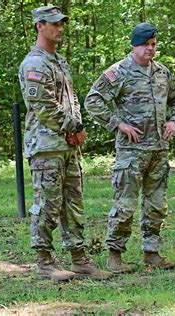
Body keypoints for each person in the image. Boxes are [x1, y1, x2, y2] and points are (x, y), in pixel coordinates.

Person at [18, 5, 111, 282]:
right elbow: (44, 107)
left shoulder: (59, 61)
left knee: (73, 204)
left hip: (67, 146)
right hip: (46, 147)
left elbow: (72, 102)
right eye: (54, 24)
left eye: (62, 24)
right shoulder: (35, 63)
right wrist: (75, 128)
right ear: (39, 26)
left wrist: (76, 130)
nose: (60, 29)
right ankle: (44, 261)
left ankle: (79, 259)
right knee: (47, 204)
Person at [84, 23, 175, 273]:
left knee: (157, 204)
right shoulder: (120, 71)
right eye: (145, 45)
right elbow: (92, 100)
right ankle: (115, 254)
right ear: (134, 45)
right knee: (125, 204)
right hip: (131, 152)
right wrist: (118, 124)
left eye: (153, 45)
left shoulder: (162, 72)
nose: (150, 49)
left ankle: (152, 252)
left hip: (159, 150)